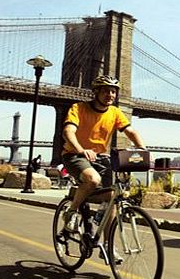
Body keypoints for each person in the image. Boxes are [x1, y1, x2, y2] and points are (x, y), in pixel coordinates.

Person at [61, 75, 146, 243]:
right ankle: (71, 212)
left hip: (100, 157)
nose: (111, 95)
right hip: (74, 155)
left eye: (113, 91)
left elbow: (130, 132)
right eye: (106, 91)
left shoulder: (114, 112)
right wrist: (81, 150)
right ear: (96, 92)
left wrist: (142, 149)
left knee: (113, 197)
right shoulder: (78, 108)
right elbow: (68, 131)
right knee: (93, 179)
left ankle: (108, 245)